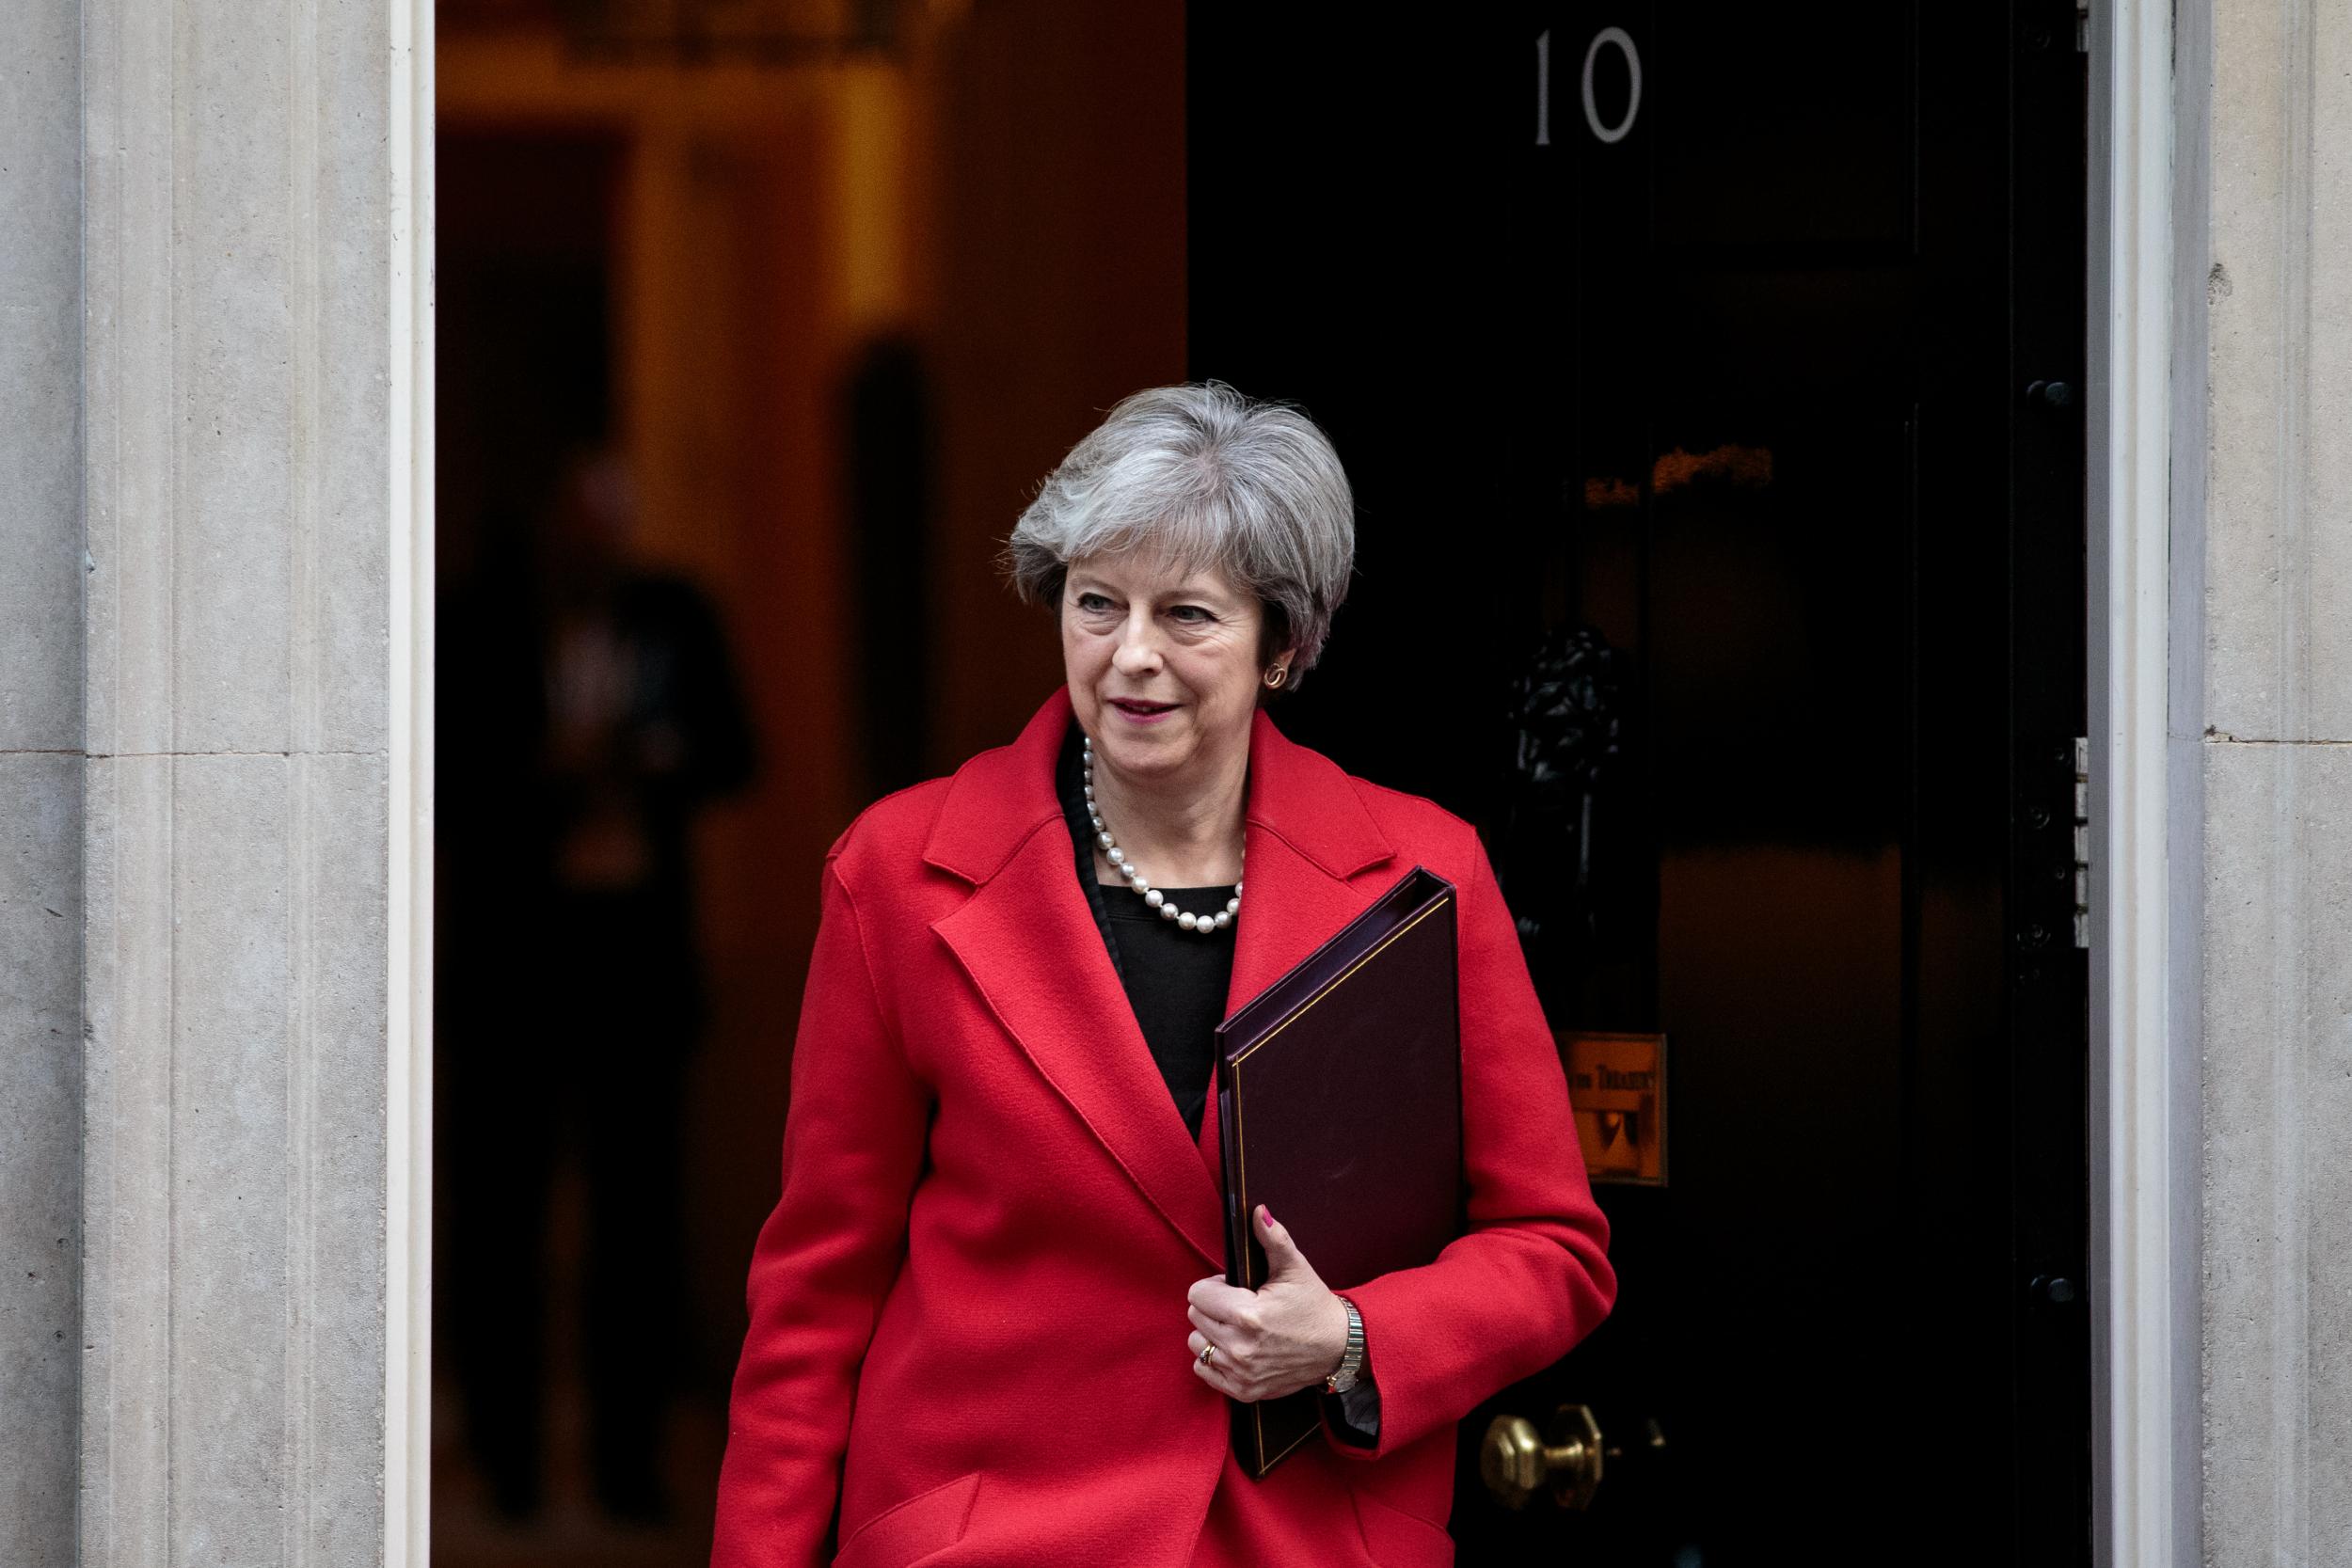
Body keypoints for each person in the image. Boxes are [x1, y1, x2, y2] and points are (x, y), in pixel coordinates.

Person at [710, 384, 1613, 1567]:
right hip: (990, 1540)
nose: (1130, 656)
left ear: (1281, 644)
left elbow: (1554, 1244)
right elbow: (812, 1301)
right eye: (1097, 604)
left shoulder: (1423, 874)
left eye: (1186, 614)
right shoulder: (896, 874)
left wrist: (1347, 1337)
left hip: (1299, 1541)